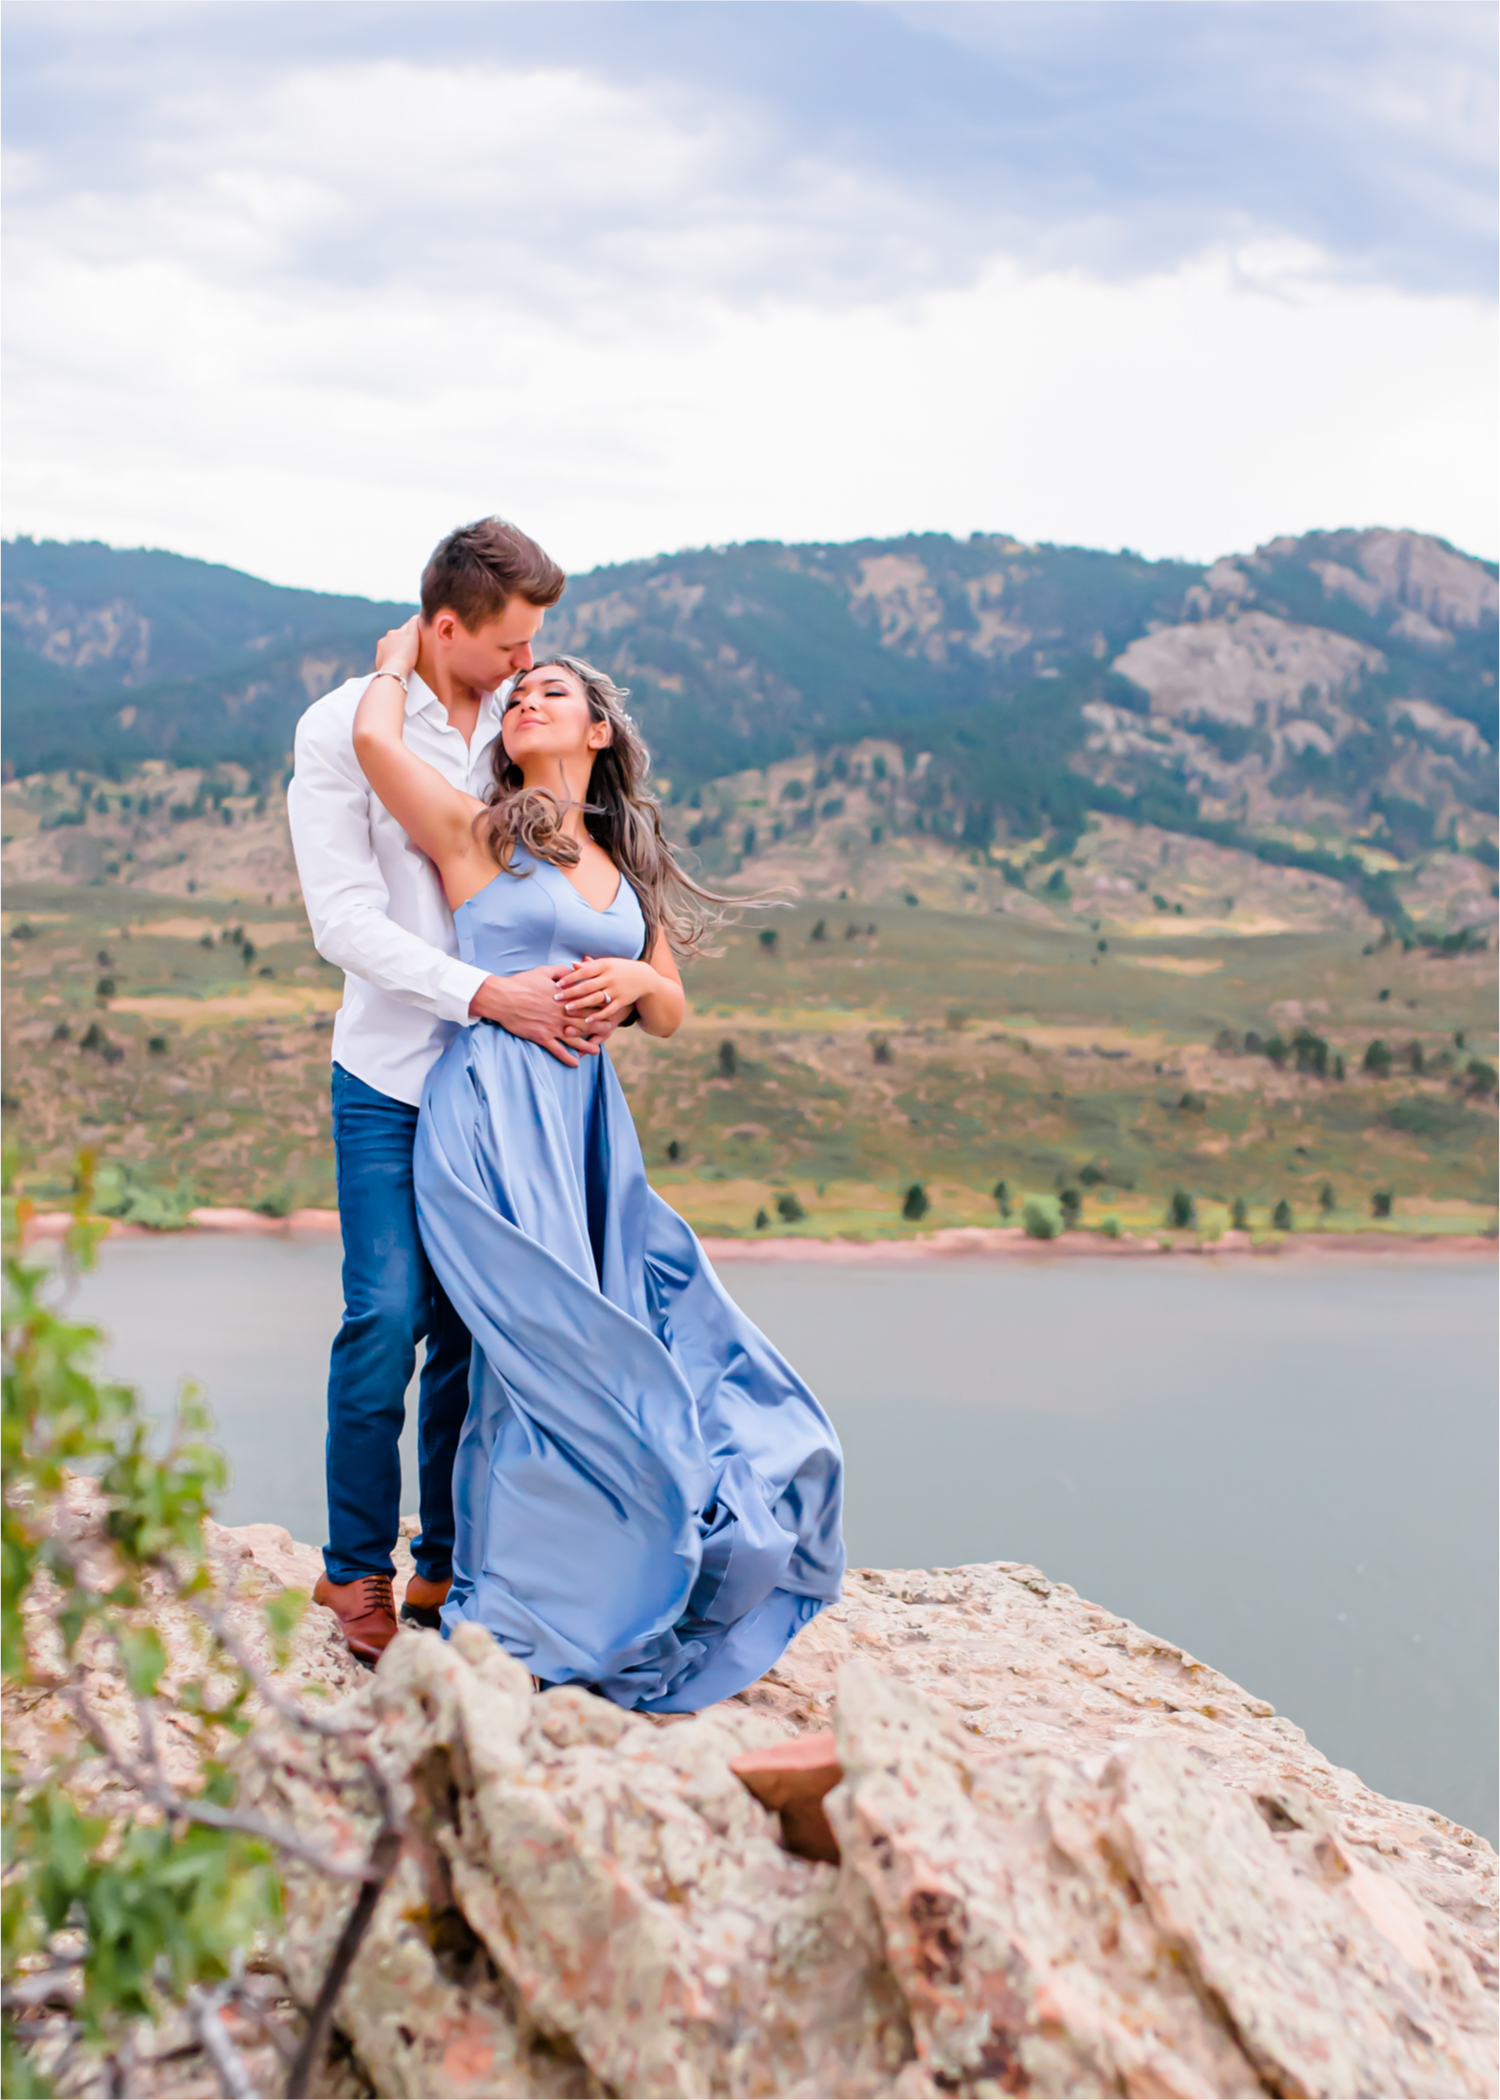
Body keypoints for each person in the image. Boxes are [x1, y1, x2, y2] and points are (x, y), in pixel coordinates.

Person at [348, 629, 845, 1710]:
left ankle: (601, 1577)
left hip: (584, 1132)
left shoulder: (628, 866)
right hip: (487, 1115)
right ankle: (510, 1604)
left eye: (551, 690)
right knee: (540, 1352)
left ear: (598, 729)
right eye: (517, 692)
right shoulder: (480, 837)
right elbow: (376, 748)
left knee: (644, 1334)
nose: (527, 698)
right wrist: (394, 662)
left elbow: (668, 1010)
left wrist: (629, 972)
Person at [288, 517, 625, 1666]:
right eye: (512, 643)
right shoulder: (345, 726)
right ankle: (352, 1575)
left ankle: (451, 1562)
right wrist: (485, 994)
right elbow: (343, 922)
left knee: (474, 1335)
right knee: (385, 1317)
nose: (528, 666)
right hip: (392, 1075)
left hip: (513, 1097)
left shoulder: (524, 735)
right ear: (444, 627)